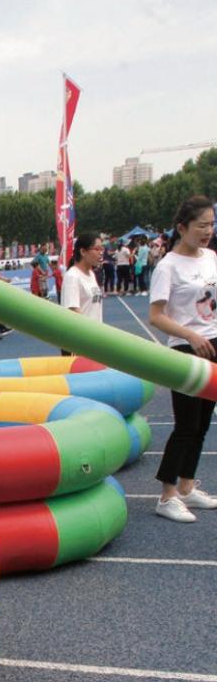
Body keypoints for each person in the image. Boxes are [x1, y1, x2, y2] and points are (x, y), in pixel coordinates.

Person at [148, 195, 217, 523]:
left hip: (214, 344)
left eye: (211, 224)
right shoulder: (168, 266)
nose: (208, 231)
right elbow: (156, 316)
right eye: (201, 225)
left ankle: (188, 487)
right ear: (181, 227)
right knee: (187, 425)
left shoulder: (212, 258)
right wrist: (190, 335)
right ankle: (167, 495)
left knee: (204, 423)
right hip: (186, 350)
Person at [61, 233, 104, 323]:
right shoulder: (72, 276)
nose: (100, 253)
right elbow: (73, 311)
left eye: (101, 249)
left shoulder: (91, 274)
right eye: (97, 249)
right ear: (83, 252)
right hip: (83, 335)